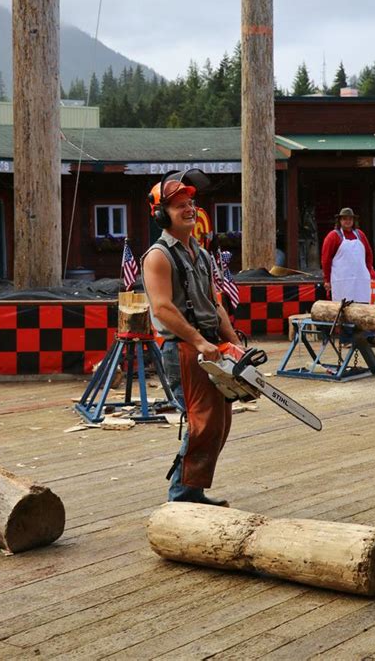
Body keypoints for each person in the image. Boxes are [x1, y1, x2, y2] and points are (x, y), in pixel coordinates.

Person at [141, 169, 243, 506]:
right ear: (161, 215)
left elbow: (215, 303)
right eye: (179, 205)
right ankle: (181, 496)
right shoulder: (159, 256)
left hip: (210, 346)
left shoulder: (197, 252)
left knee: (219, 423)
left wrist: (234, 341)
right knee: (202, 423)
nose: (188, 209)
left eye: (190, 203)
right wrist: (200, 341)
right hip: (183, 349)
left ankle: (193, 492)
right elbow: (163, 308)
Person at [321, 207, 375, 347]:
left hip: (360, 279)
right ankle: (346, 340)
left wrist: (370, 270)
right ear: (339, 220)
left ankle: (369, 337)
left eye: (350, 219)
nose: (347, 221)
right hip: (342, 280)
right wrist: (327, 279)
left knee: (364, 308)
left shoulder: (360, 235)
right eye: (344, 219)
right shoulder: (333, 236)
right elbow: (326, 259)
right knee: (345, 309)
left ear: (353, 221)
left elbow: (369, 254)